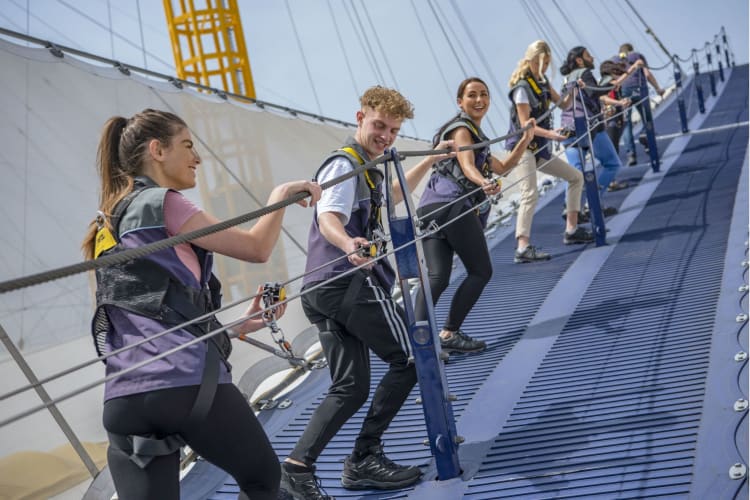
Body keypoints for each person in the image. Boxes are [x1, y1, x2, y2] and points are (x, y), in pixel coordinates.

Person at [81, 108, 321, 500]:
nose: (198, 157)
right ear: (157, 150)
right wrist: (279, 197)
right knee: (264, 480)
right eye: (188, 145)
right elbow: (257, 248)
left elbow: (144, 319)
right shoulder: (164, 202)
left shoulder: (104, 227)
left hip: (123, 399)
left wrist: (239, 326)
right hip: (183, 385)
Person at [279, 86, 456, 499]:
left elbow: (391, 196)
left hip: (321, 290)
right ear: (360, 117)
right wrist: (348, 245)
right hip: (348, 281)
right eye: (379, 126)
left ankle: (297, 467)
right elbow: (329, 217)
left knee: (351, 386)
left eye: (393, 130)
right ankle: (363, 458)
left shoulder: (366, 168)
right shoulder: (344, 165)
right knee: (412, 357)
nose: (386, 136)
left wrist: (429, 159)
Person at [413, 77, 535, 354]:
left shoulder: (476, 137)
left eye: (484, 95)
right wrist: (483, 183)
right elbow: (467, 165)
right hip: (453, 204)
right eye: (472, 95)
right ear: (460, 102)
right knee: (480, 271)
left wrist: (525, 139)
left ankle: (420, 341)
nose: (479, 100)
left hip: (430, 207)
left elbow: (503, 166)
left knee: (438, 277)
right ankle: (449, 333)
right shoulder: (462, 130)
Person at [506, 40, 593, 264]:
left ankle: (571, 230)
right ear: (532, 61)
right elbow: (527, 125)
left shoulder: (542, 83)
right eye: (541, 63)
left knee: (576, 177)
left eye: (546, 64)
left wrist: (572, 87)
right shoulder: (522, 89)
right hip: (523, 148)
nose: (544, 68)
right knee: (530, 193)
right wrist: (552, 134)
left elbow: (564, 105)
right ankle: (522, 247)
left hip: (540, 149)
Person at [559, 46, 633, 197]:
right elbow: (593, 92)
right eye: (588, 55)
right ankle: (593, 202)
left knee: (575, 174)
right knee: (612, 163)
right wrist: (612, 85)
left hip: (568, 129)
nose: (592, 58)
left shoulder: (566, 79)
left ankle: (571, 210)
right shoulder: (584, 73)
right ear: (580, 60)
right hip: (591, 127)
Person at [615, 43, 665, 166]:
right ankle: (645, 136)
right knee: (646, 118)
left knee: (627, 124)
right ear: (631, 50)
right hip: (640, 88)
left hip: (625, 92)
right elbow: (647, 74)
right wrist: (658, 88)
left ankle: (631, 154)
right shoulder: (637, 56)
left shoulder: (616, 61)